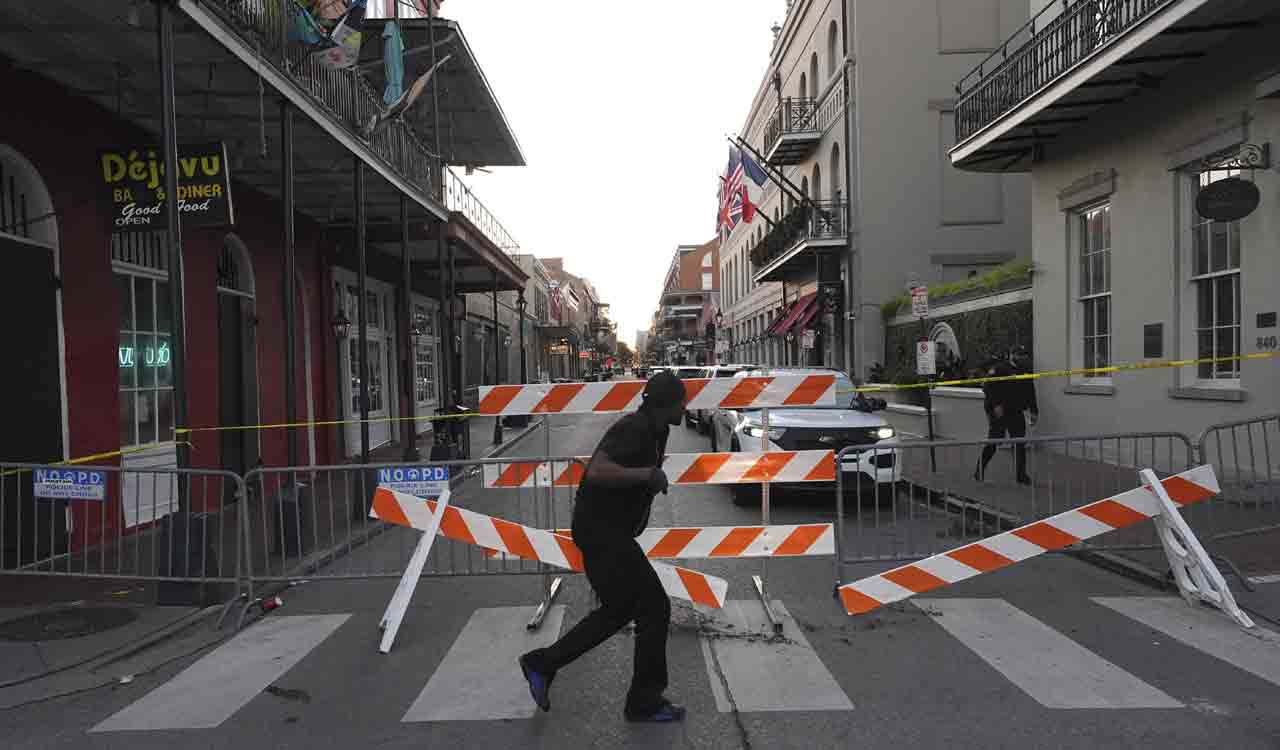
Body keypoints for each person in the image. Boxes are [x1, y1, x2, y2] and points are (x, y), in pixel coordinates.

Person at [519, 370, 688, 723]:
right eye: (680, 401)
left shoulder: (658, 430)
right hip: (601, 532)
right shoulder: (635, 428)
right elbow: (597, 470)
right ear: (665, 404)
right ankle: (644, 702)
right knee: (654, 608)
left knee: (619, 610)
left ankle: (543, 663)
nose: (685, 406)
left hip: (611, 532)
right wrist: (646, 477)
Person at [974, 353, 1037, 485]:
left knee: (1019, 442)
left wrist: (1034, 410)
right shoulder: (999, 369)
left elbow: (1030, 390)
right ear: (1012, 355)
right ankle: (979, 470)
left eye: (1024, 355)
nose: (1022, 358)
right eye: (1019, 354)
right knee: (994, 441)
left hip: (1016, 411)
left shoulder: (1025, 370)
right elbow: (988, 386)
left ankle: (1021, 475)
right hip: (1000, 411)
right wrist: (996, 405)